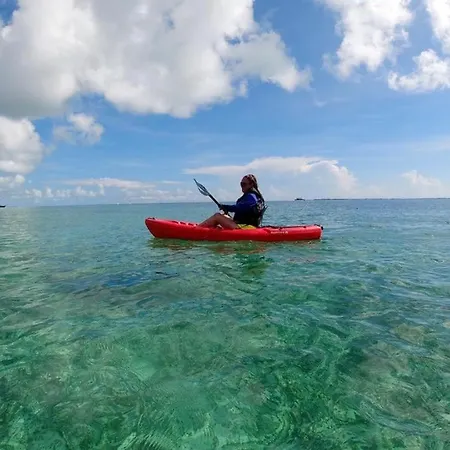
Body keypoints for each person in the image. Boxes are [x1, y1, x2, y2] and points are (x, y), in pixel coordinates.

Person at [198, 174, 266, 229]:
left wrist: (226, 207)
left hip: (246, 227)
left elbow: (240, 207)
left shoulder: (252, 196)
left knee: (217, 216)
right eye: (241, 184)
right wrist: (226, 209)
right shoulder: (254, 196)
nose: (242, 186)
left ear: (251, 184)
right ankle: (207, 228)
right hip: (243, 224)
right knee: (223, 215)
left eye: (244, 184)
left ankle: (197, 229)